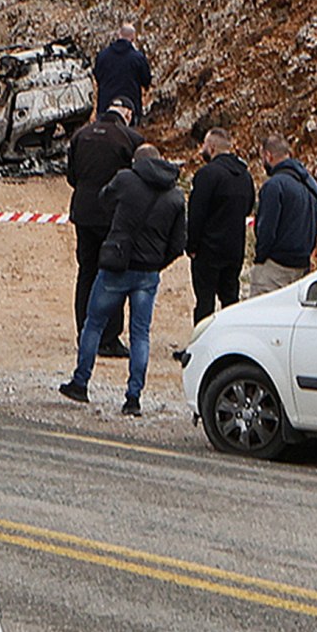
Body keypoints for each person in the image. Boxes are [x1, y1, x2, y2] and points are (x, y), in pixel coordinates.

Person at [60, 144, 186, 416]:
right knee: (140, 334)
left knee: (94, 324)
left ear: (135, 162)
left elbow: (104, 200)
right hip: (148, 272)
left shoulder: (126, 180)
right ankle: (133, 397)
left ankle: (81, 382)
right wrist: (156, 263)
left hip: (117, 265)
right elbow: (178, 244)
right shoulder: (176, 195)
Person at [66, 96, 145, 358]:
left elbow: (72, 177)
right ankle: (109, 337)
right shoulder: (130, 139)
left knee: (86, 272)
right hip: (114, 215)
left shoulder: (81, 135)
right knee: (113, 272)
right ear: (128, 114)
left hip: (83, 212)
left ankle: (84, 332)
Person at [186, 127, 256, 322]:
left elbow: (196, 213)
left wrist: (191, 246)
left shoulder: (207, 175)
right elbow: (248, 207)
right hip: (234, 249)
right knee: (230, 299)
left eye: (204, 145)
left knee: (205, 302)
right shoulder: (245, 176)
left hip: (208, 250)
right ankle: (229, 336)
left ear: (212, 147)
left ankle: (203, 338)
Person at [251, 134, 317, 296]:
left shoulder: (274, 186)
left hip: (274, 269)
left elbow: (266, 228)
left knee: (260, 310)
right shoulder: (310, 185)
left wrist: (260, 257)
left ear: (268, 156)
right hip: (302, 266)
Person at [93, 24, 152, 126]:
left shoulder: (102, 56)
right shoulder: (138, 58)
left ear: (118, 35)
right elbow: (146, 80)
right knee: (127, 134)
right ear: (133, 38)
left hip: (106, 106)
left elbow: (97, 77)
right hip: (129, 108)